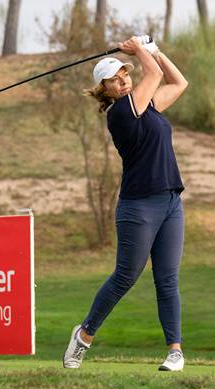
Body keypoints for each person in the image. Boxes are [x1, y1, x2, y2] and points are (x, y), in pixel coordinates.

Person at [63, 35, 189, 371]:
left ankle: (174, 352)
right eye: (114, 78)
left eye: (125, 73)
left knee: (167, 278)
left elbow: (178, 81)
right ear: (104, 89)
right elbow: (155, 76)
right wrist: (139, 50)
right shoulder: (119, 113)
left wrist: (156, 51)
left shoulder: (148, 106)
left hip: (171, 201)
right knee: (125, 276)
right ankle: (84, 335)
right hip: (139, 207)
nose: (123, 79)